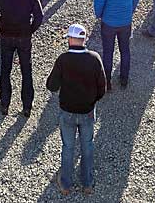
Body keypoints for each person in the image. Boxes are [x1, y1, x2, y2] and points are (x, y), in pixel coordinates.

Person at [46, 23, 106, 196]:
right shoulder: (94, 58)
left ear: (70, 39)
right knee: (87, 146)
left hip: (67, 111)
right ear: (84, 39)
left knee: (68, 147)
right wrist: (91, 101)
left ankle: (65, 184)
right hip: (87, 111)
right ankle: (87, 183)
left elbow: (51, 85)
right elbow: (102, 87)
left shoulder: (63, 59)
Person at [0, 0, 44, 117]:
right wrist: (29, 30)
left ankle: (5, 103)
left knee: (5, 69)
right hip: (23, 36)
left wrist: (1, 26)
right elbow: (39, 17)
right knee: (26, 70)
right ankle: (27, 105)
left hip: (6, 35)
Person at [93, 0, 140, 89]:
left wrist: (99, 15)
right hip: (125, 22)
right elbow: (135, 0)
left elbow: (99, 1)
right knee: (125, 50)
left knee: (108, 52)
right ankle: (124, 79)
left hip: (109, 22)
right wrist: (129, 13)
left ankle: (107, 81)